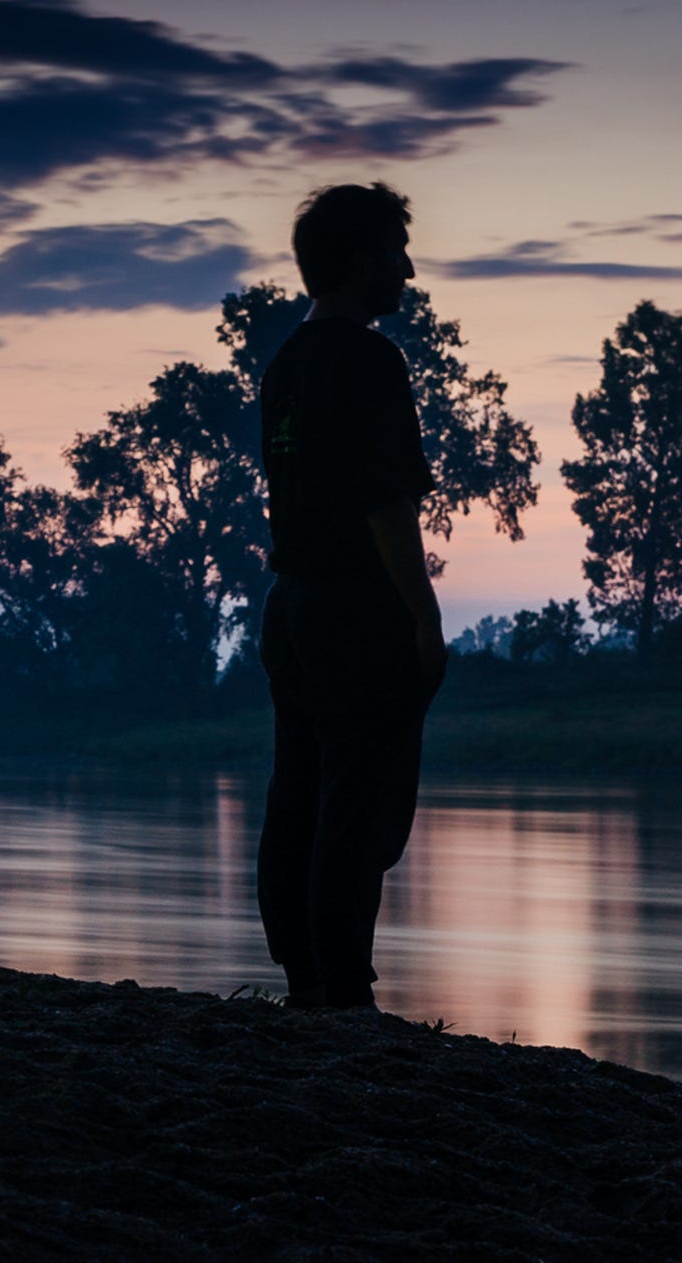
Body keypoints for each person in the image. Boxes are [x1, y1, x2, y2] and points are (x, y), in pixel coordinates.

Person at [255, 182, 447, 1011]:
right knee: (358, 800)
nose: (407, 269)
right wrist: (423, 617)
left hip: (289, 606)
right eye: (397, 253)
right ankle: (344, 984)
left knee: (298, 786)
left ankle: (302, 973)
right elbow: (388, 507)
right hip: (352, 608)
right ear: (361, 258)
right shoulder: (371, 362)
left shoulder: (287, 364)